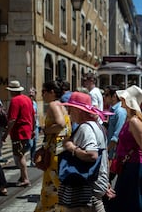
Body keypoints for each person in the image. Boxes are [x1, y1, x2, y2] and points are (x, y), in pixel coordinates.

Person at [109, 85, 142, 212]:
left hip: (135, 167)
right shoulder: (129, 119)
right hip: (128, 166)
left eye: (123, 98)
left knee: (135, 203)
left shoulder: (135, 121)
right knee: (127, 202)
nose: (121, 100)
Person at [59, 91, 110, 211]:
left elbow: (92, 155)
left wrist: (71, 147)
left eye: (71, 108)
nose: (69, 112)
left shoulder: (85, 128)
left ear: (79, 110)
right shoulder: (97, 126)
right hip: (96, 184)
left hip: (88, 189)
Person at [34, 80, 72, 212]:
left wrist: (45, 130)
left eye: (43, 91)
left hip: (54, 152)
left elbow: (60, 124)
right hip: (59, 150)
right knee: (51, 189)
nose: (42, 94)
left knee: (54, 190)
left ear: (51, 92)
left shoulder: (53, 105)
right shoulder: (61, 105)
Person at [2, 80, 34, 187]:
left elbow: (12, 119)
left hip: (19, 132)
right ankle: (22, 176)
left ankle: (25, 178)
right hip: (27, 131)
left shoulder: (15, 101)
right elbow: (33, 115)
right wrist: (33, 129)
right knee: (22, 154)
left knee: (19, 156)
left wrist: (6, 134)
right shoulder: (28, 99)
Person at [103, 85, 127, 181]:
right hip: (112, 152)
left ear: (114, 96)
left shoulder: (120, 111)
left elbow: (117, 135)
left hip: (115, 153)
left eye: (106, 95)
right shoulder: (113, 110)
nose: (104, 97)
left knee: (108, 179)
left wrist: (107, 150)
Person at [28, 87, 40, 167]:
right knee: (30, 144)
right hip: (29, 126)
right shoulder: (27, 103)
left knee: (35, 144)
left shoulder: (35, 103)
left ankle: (32, 160)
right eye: (30, 93)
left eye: (33, 92)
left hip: (35, 126)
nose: (31, 94)